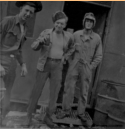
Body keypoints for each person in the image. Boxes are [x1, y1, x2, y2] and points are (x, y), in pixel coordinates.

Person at [26, 11, 74, 127]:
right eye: (57, 23)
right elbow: (34, 47)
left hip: (58, 66)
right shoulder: (46, 33)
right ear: (54, 23)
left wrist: (65, 57)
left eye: (62, 24)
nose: (59, 26)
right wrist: (40, 43)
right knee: (36, 91)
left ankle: (48, 117)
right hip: (44, 65)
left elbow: (72, 48)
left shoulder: (68, 36)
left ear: (65, 25)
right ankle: (29, 116)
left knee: (54, 93)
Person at [0, 1, 42, 125]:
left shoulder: (25, 27)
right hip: (1, 62)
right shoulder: (8, 21)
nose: (28, 14)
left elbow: (18, 49)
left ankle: (1, 119)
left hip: (12, 65)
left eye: (31, 12)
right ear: (20, 9)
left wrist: (22, 64)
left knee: (8, 94)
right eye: (26, 10)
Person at [57, 12, 102, 126]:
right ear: (84, 22)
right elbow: (68, 49)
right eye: (87, 20)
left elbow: (99, 56)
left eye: (91, 21)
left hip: (87, 65)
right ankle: (65, 110)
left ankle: (81, 113)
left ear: (93, 24)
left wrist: (91, 66)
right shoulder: (76, 34)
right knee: (69, 88)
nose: (89, 23)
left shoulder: (96, 38)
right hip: (74, 64)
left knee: (84, 91)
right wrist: (71, 61)